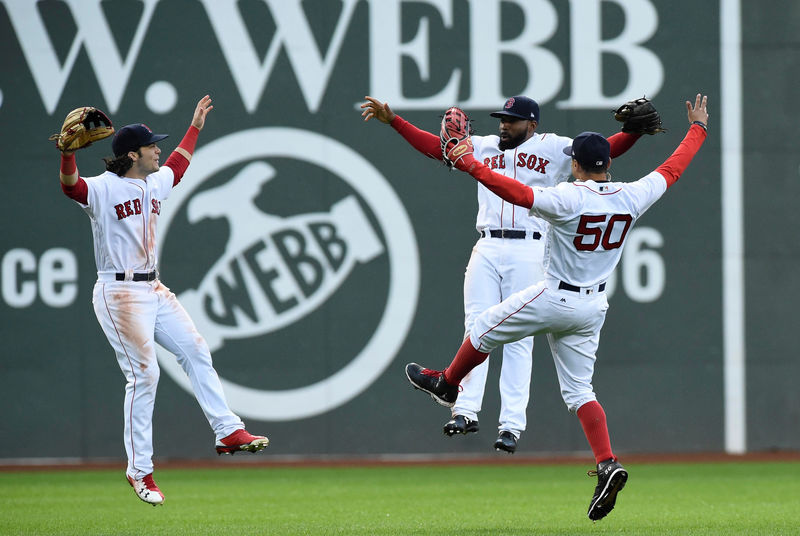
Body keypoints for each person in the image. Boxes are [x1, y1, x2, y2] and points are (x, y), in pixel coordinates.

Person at [405, 94, 709, 520]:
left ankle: (448, 383)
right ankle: (607, 462)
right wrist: (698, 127)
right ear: (607, 163)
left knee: (482, 329)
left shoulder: (567, 198)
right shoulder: (632, 195)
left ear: (576, 165)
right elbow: (673, 168)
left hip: (553, 297)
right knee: (581, 392)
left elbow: (510, 190)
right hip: (593, 307)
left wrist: (470, 164)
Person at [361, 95, 645, 453]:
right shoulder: (482, 146)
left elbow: (601, 152)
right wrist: (396, 121)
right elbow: (439, 148)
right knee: (477, 326)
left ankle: (511, 424)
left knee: (518, 340)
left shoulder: (555, 147)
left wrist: (631, 133)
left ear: (533, 124)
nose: (503, 124)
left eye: (512, 119)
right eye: (502, 118)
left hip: (531, 245)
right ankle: (464, 409)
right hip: (488, 244)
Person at [57, 95, 269, 506]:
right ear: (132, 154)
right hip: (118, 292)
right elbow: (71, 188)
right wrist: (66, 155)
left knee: (195, 348)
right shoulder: (102, 189)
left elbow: (179, 164)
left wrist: (195, 128)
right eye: (153, 145)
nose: (159, 150)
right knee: (144, 375)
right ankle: (140, 471)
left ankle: (227, 430)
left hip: (153, 288)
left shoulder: (154, 181)